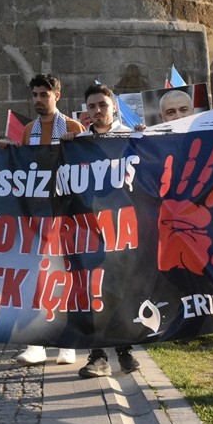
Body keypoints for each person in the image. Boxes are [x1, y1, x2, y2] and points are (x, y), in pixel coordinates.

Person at [13, 73, 84, 366]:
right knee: (36, 274)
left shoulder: (71, 126)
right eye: (35, 95)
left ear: (57, 95)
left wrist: (73, 142)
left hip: (66, 211)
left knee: (65, 274)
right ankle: (37, 343)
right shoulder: (28, 129)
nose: (38, 100)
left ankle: (68, 343)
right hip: (37, 211)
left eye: (44, 94)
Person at [70, 84, 141, 378]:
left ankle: (124, 350)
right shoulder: (77, 143)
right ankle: (97, 355)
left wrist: (145, 139)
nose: (97, 111)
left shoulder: (131, 138)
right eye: (91, 107)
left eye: (102, 105)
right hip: (89, 229)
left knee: (120, 289)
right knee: (91, 290)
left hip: (123, 228)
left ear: (113, 107)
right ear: (85, 112)